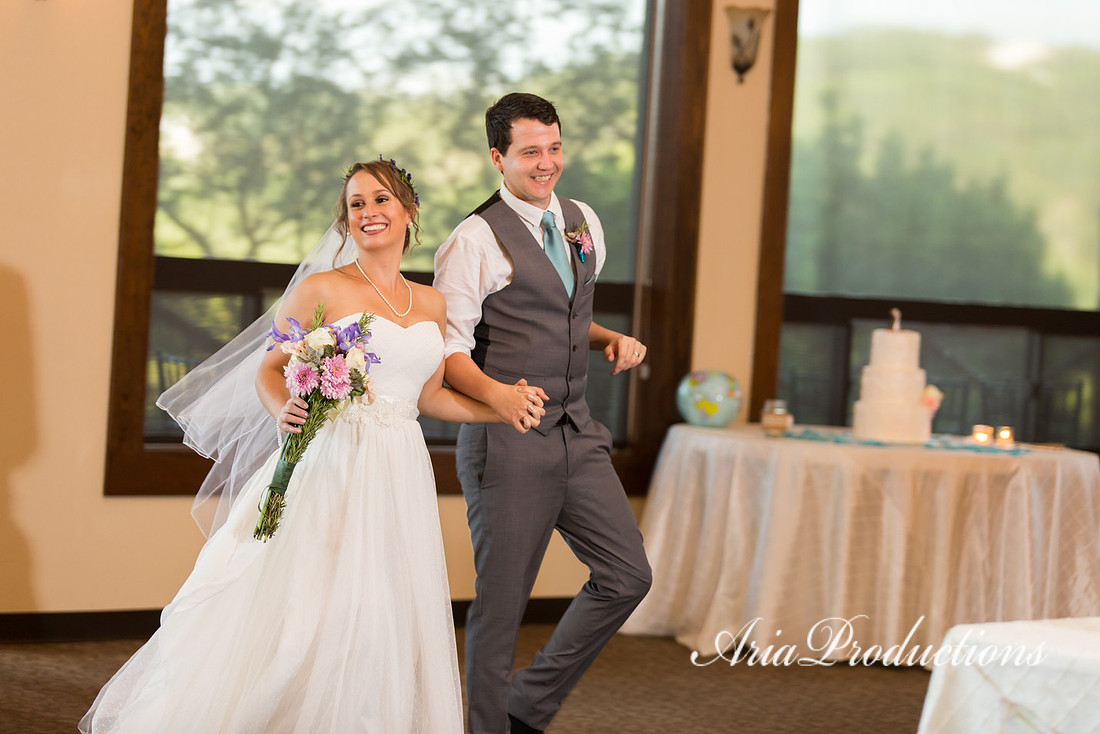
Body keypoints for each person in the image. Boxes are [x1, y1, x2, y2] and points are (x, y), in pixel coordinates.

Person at [80, 158, 545, 734]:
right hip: (330, 462)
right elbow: (269, 369)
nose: (369, 212)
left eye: (381, 200)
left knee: (381, 609)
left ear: (409, 211)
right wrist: (284, 409)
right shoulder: (320, 289)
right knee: (309, 608)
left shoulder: (431, 303)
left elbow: (428, 397)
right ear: (346, 220)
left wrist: (501, 409)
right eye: (356, 204)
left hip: (399, 470)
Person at [433, 92, 653, 734]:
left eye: (554, 147)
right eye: (530, 151)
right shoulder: (472, 240)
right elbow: (447, 351)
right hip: (506, 442)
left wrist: (610, 337)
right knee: (501, 609)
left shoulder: (583, 221)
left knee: (627, 576)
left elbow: (567, 315)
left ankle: (526, 705)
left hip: (577, 433)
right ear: (497, 157)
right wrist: (497, 396)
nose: (546, 162)